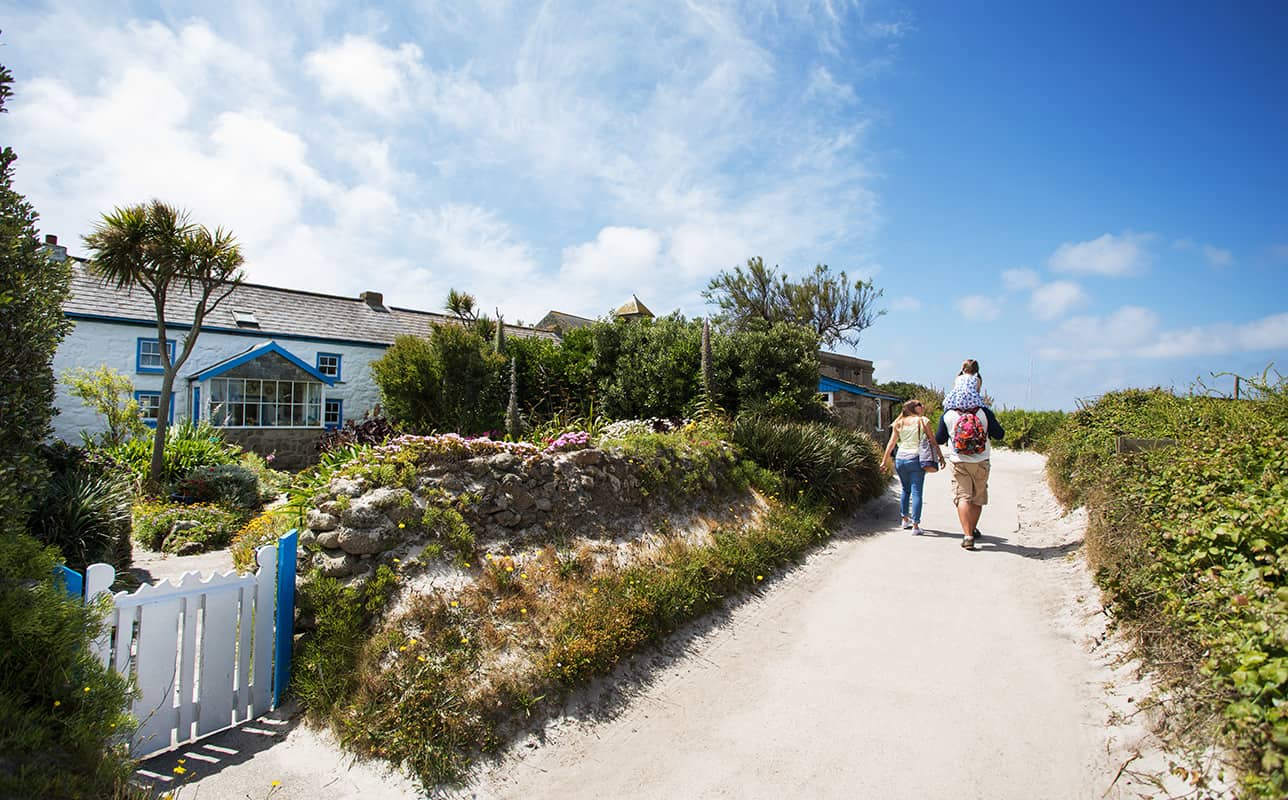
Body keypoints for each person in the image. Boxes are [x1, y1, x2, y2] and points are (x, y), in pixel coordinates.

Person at [935, 404, 1005, 550]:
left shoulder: (948, 414)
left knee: (962, 497)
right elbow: (999, 434)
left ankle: (968, 536)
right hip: (981, 461)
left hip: (959, 461)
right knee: (977, 496)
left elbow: (940, 439)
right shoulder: (984, 412)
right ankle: (972, 528)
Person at [880, 399, 945, 536]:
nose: (923, 406)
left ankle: (905, 519)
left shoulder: (899, 423)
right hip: (915, 459)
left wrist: (884, 461)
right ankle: (915, 525)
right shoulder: (923, 421)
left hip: (900, 459)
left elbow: (891, 443)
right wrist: (940, 457)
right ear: (913, 408)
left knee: (905, 489)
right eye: (920, 404)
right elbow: (933, 441)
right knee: (916, 492)